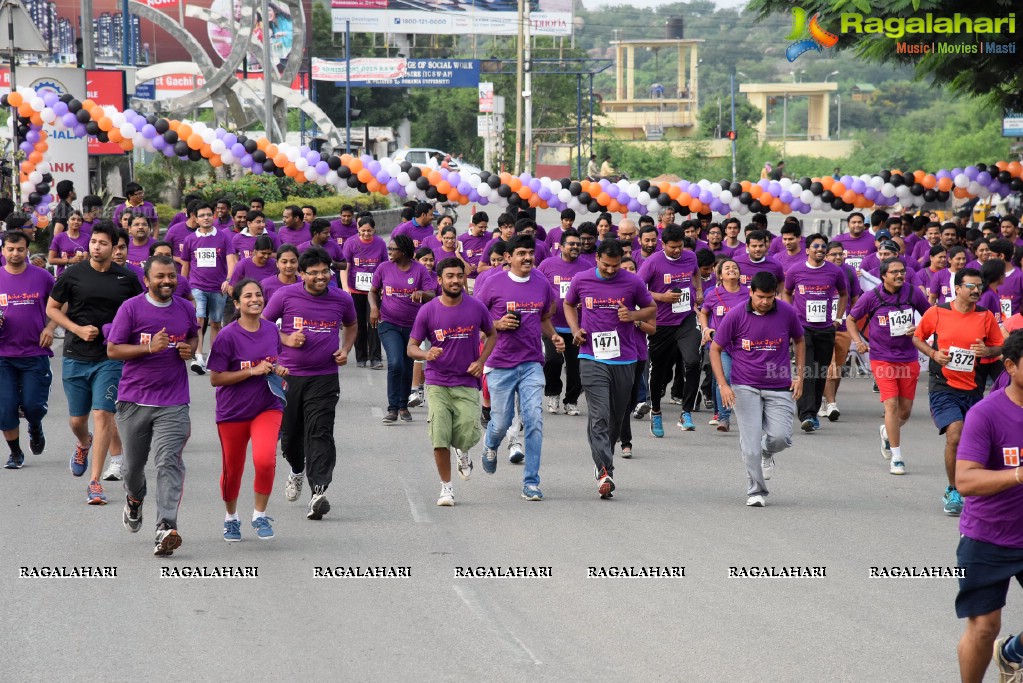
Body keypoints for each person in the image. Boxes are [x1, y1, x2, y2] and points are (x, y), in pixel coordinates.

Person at [106, 254, 198, 555]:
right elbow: (113, 349)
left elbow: (194, 338)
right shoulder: (131, 308)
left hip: (173, 400)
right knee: (133, 469)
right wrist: (148, 347)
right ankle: (134, 500)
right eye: (160, 276)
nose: (167, 281)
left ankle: (165, 527)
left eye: (171, 275)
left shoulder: (186, 308)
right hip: (133, 401)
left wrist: (189, 349)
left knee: (168, 462)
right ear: (146, 280)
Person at [47, 221, 143, 503]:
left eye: (103, 243)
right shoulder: (72, 274)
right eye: (94, 243)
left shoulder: (126, 278)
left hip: (109, 358)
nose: (97, 247)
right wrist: (76, 329)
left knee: (104, 415)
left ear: (115, 248)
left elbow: (139, 311)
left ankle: (94, 481)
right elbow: (52, 308)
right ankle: (83, 442)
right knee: (78, 420)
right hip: (76, 355)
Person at [262, 248, 357, 520]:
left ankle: (318, 491)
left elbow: (351, 326)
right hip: (289, 376)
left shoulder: (341, 298)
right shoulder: (285, 295)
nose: (320, 277)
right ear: (301, 274)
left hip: (324, 376)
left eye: (324, 271)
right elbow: (262, 326)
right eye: (313, 272)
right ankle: (295, 471)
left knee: (320, 431)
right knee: (291, 438)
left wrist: (345, 349)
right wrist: (286, 340)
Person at [952, 329, 1023, 683]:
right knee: (984, 628)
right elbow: (965, 481)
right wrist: (1017, 476)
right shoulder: (986, 414)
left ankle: (1014, 654)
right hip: (989, 537)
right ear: (1010, 366)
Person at [564, 240, 655, 498]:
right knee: (600, 413)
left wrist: (633, 316)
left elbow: (651, 309)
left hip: (624, 358)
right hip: (591, 356)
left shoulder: (632, 281)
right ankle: (604, 470)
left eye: (616, 266)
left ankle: (603, 462)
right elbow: (569, 304)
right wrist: (574, 329)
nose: (612, 270)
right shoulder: (581, 280)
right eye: (606, 265)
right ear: (596, 258)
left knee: (615, 417)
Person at [475, 234, 564, 501]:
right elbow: (476, 320)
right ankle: (490, 443)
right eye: (521, 253)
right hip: (500, 363)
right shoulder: (492, 284)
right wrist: (497, 325)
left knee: (534, 421)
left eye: (530, 253)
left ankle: (531, 482)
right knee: (500, 422)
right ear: (508, 257)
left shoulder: (541, 283)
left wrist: (554, 336)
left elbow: (545, 317)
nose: (527, 257)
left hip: (531, 363)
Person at [913, 268, 1004, 516]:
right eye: (971, 286)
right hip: (943, 385)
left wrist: (988, 352)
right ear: (957, 288)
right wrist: (933, 354)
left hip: (974, 387)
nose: (976, 291)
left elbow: (999, 345)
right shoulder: (937, 311)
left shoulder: (985, 316)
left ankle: (977, 486)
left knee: (974, 440)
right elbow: (918, 338)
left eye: (979, 286)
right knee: (955, 434)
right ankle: (953, 489)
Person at [710, 271, 805, 507]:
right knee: (749, 446)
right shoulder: (735, 316)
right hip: (745, 387)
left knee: (781, 438)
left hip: (779, 385)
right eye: (760, 296)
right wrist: (723, 384)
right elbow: (715, 349)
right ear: (750, 292)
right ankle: (756, 490)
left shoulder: (787, 312)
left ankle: (767, 450)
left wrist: (800, 376)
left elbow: (800, 341)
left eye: (769, 297)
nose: (764, 302)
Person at [408, 258, 497, 506]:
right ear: (440, 280)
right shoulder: (428, 311)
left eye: (459, 275)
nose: (455, 280)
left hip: (467, 381)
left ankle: (462, 450)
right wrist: (426, 354)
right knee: (439, 436)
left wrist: (481, 361)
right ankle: (446, 488)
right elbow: (411, 348)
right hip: (437, 382)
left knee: (467, 431)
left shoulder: (476, 307)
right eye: (450, 276)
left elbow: (492, 334)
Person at [207, 279, 288, 541]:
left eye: (258, 295)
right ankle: (231, 518)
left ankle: (259, 515)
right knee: (233, 470)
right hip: (233, 411)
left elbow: (274, 361)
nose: (255, 299)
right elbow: (216, 378)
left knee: (265, 460)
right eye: (248, 296)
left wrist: (279, 369)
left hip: (267, 405)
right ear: (237, 303)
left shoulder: (271, 330)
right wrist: (251, 371)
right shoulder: (227, 336)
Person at [848, 258, 931, 475]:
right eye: (894, 272)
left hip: (908, 357)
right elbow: (850, 319)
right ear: (883, 275)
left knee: (904, 411)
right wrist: (858, 342)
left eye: (902, 271)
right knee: (891, 405)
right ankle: (897, 457)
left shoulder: (913, 293)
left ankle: (887, 430)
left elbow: (931, 317)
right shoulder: (872, 297)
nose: (899, 275)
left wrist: (919, 329)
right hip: (882, 357)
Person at [639, 225, 704, 436]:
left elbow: (696, 274)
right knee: (658, 371)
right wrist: (661, 297)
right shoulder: (653, 263)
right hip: (661, 323)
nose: (677, 250)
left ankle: (686, 412)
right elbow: (637, 289)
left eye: (680, 246)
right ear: (663, 244)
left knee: (693, 361)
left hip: (686, 318)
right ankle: (656, 411)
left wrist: (699, 290)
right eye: (673, 247)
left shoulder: (690, 257)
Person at [0, 230, 55, 468]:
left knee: (33, 406)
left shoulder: (42, 277)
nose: (15, 253)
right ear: (3, 251)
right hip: (3, 355)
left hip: (35, 352)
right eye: (10, 249)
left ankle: (35, 425)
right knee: (5, 407)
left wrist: (51, 327)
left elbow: (60, 306)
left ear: (27, 250)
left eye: (20, 249)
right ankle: (15, 453)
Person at [783, 233, 848, 432]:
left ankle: (814, 408)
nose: (820, 249)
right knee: (807, 369)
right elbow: (786, 292)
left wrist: (837, 319)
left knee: (820, 371)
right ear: (808, 249)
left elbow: (844, 294)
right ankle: (807, 414)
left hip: (826, 328)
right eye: (816, 246)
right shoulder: (796, 270)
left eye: (823, 247)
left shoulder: (835, 271)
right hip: (803, 328)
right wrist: (791, 314)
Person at [369, 235, 436, 423]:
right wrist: (374, 308)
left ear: (404, 251)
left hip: (413, 326)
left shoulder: (420, 270)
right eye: (389, 249)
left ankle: (403, 406)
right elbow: (373, 291)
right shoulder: (384, 268)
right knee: (396, 362)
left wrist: (422, 293)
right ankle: (392, 409)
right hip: (388, 323)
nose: (389, 252)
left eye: (393, 249)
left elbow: (432, 294)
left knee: (407, 367)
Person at [181, 202, 238, 374]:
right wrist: (183, 288)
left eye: (208, 214)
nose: (206, 218)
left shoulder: (223, 237)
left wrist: (228, 279)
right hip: (197, 286)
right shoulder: (190, 239)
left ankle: (212, 355)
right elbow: (185, 266)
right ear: (195, 219)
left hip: (218, 288)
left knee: (215, 322)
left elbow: (231, 261)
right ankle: (198, 356)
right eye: (202, 215)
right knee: (199, 320)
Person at [537, 229, 587, 416]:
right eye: (572, 244)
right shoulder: (547, 264)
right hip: (552, 325)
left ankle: (571, 400)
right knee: (553, 360)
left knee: (576, 365)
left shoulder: (586, 266)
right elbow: (537, 286)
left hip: (577, 326)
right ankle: (553, 394)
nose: (575, 247)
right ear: (561, 246)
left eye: (578, 244)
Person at [698, 258, 748, 433]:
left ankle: (749, 417)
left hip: (744, 347)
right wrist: (706, 329)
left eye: (735, 267)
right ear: (719, 275)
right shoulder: (713, 294)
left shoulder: (749, 293)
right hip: (722, 347)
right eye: (727, 268)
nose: (732, 269)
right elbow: (703, 312)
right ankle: (723, 418)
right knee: (725, 378)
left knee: (744, 382)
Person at [820, 241, 862, 421]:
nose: (838, 257)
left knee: (838, 366)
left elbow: (855, 298)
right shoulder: (819, 271)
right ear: (826, 256)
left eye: (840, 254)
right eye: (834, 254)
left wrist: (850, 318)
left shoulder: (849, 272)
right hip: (822, 327)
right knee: (829, 366)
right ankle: (831, 403)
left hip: (843, 326)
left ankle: (827, 399)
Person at [341, 216, 386, 368]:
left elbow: (385, 266)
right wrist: (345, 287)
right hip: (355, 290)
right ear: (358, 230)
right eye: (363, 231)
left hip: (374, 291)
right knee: (358, 324)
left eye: (369, 231)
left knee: (373, 323)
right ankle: (361, 356)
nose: (366, 234)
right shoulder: (351, 243)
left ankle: (375, 358)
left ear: (374, 230)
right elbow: (345, 266)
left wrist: (383, 287)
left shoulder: (380, 243)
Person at [48, 210, 90, 278]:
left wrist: (84, 258)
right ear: (67, 221)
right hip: (63, 276)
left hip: (82, 276)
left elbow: (89, 256)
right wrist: (70, 261)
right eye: (73, 219)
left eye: (79, 220)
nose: (76, 222)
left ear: (82, 223)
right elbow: (51, 260)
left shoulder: (87, 238)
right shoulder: (59, 237)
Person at [458, 212, 491, 290]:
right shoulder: (461, 239)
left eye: (485, 227)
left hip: (485, 279)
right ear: (473, 224)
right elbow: (458, 258)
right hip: (470, 280)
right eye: (481, 227)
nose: (483, 229)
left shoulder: (490, 236)